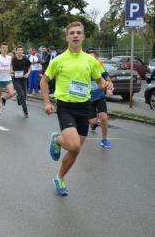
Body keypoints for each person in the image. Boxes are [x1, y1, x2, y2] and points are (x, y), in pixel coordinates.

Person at [40, 21, 112, 196]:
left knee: (74, 151)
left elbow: (99, 81)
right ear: (67, 37)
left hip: (84, 107)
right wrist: (47, 102)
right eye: (72, 33)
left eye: (79, 32)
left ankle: (59, 177)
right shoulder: (58, 60)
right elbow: (44, 81)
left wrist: (106, 86)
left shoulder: (91, 61)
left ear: (83, 36)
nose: (75, 35)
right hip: (65, 107)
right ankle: (57, 139)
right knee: (75, 146)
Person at [86, 48, 114, 149]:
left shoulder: (99, 66)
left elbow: (108, 80)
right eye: (89, 57)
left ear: (96, 59)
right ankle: (92, 124)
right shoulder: (82, 68)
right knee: (93, 121)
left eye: (94, 58)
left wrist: (109, 89)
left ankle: (104, 140)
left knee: (104, 117)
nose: (92, 60)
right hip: (88, 98)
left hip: (100, 96)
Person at [0, 42, 16, 119]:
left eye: (6, 48)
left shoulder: (10, 58)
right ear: (0, 49)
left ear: (7, 49)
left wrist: (11, 71)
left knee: (12, 93)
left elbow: (11, 66)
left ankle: (4, 99)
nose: (4, 49)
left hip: (8, 78)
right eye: (3, 48)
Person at [11, 45, 32, 118]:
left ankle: (18, 97)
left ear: (22, 51)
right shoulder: (13, 59)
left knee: (24, 96)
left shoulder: (25, 59)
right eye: (18, 50)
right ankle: (25, 111)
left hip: (24, 79)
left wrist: (28, 73)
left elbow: (30, 67)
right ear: (16, 51)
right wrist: (11, 71)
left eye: (21, 50)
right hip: (16, 80)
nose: (20, 51)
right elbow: (11, 66)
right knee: (22, 95)